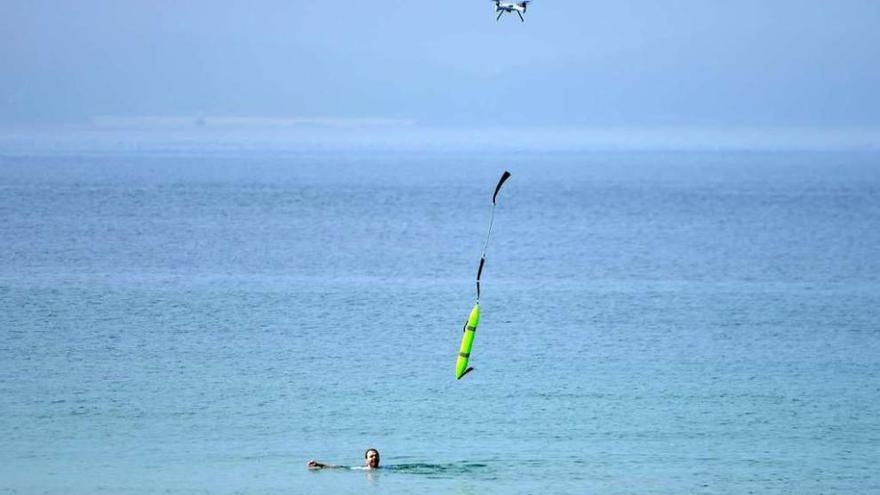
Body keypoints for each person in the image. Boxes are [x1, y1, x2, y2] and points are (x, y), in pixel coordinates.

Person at [307, 448, 380, 470]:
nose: (374, 458)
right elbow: (337, 467)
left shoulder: (386, 468)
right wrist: (318, 464)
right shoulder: (360, 469)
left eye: (376, 456)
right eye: (371, 456)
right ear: (366, 459)